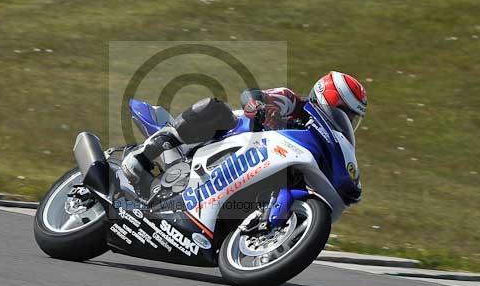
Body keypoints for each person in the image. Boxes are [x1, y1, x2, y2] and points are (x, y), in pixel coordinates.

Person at [120, 71, 367, 196]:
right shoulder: (294, 103)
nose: (348, 120)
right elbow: (253, 94)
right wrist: (258, 105)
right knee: (217, 108)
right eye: (346, 112)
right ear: (328, 100)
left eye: (352, 118)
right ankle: (142, 157)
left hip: (255, 171)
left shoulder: (321, 140)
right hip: (227, 138)